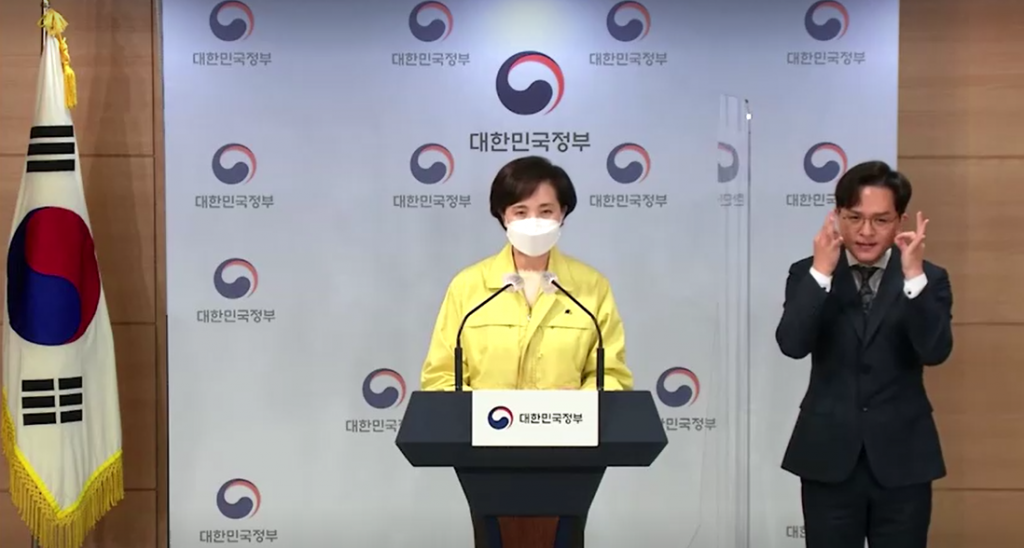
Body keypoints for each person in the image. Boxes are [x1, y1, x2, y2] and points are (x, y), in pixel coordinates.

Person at [775, 160, 953, 548]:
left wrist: (914, 279)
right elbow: (792, 344)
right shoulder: (807, 274)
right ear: (837, 216)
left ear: (900, 220)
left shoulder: (928, 278)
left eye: (880, 220)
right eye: (854, 218)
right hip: (828, 456)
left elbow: (935, 350)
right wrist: (821, 274)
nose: (866, 232)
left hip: (904, 458)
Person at [420, 155, 633, 392]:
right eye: (520, 212)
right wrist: (488, 408)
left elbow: (611, 375)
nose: (533, 222)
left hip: (566, 417)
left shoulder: (592, 286)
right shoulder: (467, 286)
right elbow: (441, 377)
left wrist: (577, 403)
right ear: (503, 215)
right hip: (487, 417)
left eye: (546, 211)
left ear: (562, 213)